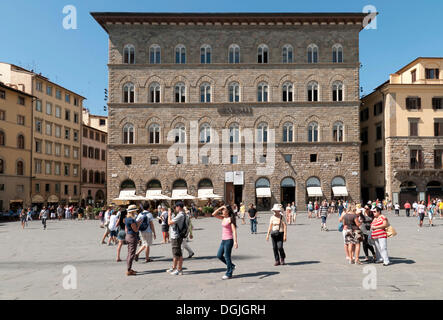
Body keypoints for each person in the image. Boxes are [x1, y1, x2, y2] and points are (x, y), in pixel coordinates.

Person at [212, 204, 238, 279]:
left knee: (227, 257)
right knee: (219, 255)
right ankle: (232, 266)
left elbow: (234, 231)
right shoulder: (223, 218)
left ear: (228, 211)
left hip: (229, 240)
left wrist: (236, 242)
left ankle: (229, 273)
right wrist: (220, 207)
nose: (223, 211)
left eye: (224, 210)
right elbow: (213, 214)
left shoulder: (230, 219)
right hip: (223, 240)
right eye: (222, 210)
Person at [166, 201, 187, 276]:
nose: (175, 208)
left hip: (176, 236)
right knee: (176, 253)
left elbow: (169, 223)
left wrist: (168, 215)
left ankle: (179, 269)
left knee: (178, 254)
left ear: (179, 207)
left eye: (176, 207)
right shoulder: (181, 214)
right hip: (176, 235)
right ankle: (175, 267)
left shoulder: (180, 215)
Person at [124, 205, 142, 276]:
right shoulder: (131, 219)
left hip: (128, 236)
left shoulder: (126, 218)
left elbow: (128, 227)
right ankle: (129, 270)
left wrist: (137, 223)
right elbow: (136, 229)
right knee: (131, 254)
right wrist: (139, 224)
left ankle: (129, 269)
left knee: (129, 253)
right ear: (133, 211)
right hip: (132, 237)